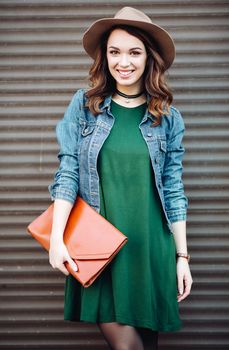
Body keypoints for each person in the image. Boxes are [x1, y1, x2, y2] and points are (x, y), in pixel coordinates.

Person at [48, 6, 193, 350]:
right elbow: (67, 171)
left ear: (148, 58)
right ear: (105, 57)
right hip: (99, 248)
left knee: (147, 344)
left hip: (150, 249)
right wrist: (56, 239)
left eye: (134, 52)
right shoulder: (85, 106)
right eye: (115, 52)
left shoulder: (168, 118)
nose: (123, 62)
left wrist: (182, 258)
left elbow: (173, 188)